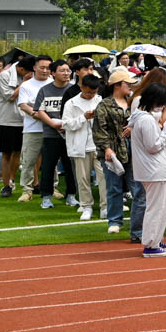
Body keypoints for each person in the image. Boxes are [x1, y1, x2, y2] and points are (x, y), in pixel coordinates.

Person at [95, 68, 144, 239]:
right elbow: (99, 129)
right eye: (127, 83)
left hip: (133, 149)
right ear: (117, 85)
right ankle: (115, 221)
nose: (130, 86)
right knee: (114, 187)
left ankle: (138, 223)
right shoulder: (104, 105)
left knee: (137, 186)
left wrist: (132, 127)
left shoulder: (133, 103)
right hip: (113, 150)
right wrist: (107, 148)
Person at [129, 81, 166, 259]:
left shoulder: (141, 117)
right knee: (157, 208)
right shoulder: (146, 120)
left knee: (161, 207)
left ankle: (156, 240)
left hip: (152, 170)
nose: (163, 106)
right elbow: (153, 146)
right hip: (154, 170)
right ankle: (151, 245)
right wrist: (165, 131)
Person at [60, 73, 105, 221]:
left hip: (98, 145)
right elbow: (66, 124)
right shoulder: (71, 103)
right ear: (82, 87)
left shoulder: (100, 100)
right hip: (80, 146)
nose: (91, 95)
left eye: (93, 92)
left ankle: (105, 206)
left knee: (104, 177)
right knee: (83, 178)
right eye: (88, 92)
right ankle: (86, 206)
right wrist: (83, 118)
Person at [32, 58, 74, 210]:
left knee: (71, 167)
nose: (66, 73)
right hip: (50, 135)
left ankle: (71, 195)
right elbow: (39, 110)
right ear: (53, 73)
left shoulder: (73, 90)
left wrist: (67, 125)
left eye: (68, 70)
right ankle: (46, 197)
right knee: (48, 167)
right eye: (62, 70)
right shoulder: (45, 90)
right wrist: (52, 124)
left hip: (70, 134)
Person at [15, 55, 51, 201]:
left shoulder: (54, 84)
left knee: (52, 161)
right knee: (28, 161)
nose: (45, 70)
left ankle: (52, 188)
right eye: (42, 67)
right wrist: (36, 114)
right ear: (35, 68)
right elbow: (23, 105)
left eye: (48, 68)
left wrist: (42, 115)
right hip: (32, 128)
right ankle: (27, 190)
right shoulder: (26, 85)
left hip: (51, 129)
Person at [0, 54, 27, 197]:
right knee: (7, 153)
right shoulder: (5, 76)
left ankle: (12, 179)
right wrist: (24, 82)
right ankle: (6, 185)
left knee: (18, 152)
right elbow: (10, 96)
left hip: (23, 119)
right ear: (20, 68)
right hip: (7, 120)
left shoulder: (29, 76)